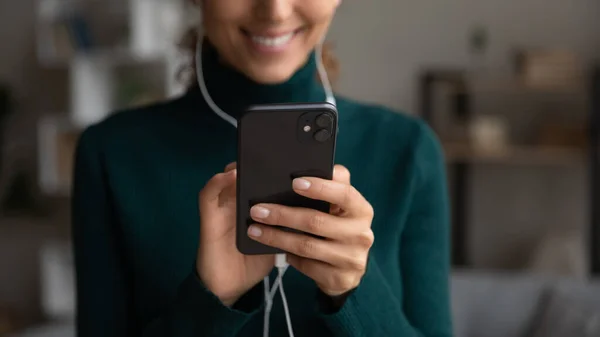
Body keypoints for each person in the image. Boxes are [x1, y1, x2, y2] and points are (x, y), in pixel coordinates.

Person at [71, 0, 453, 336]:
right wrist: (209, 303)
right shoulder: (111, 155)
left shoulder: (409, 150)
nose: (275, 10)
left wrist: (357, 292)